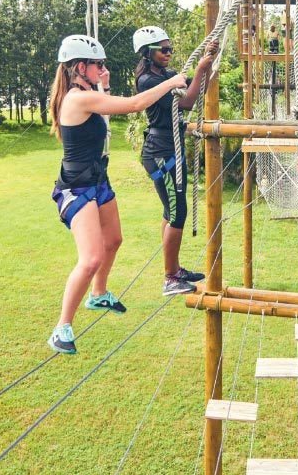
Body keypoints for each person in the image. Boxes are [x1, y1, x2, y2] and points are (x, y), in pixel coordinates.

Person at [47, 34, 187, 355]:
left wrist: (104, 88)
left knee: (114, 240)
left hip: (97, 180)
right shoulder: (76, 98)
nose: (102, 68)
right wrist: (172, 82)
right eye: (98, 65)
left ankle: (99, 294)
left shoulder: (87, 95)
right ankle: (62, 327)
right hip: (77, 187)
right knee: (92, 256)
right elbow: (135, 105)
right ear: (80, 67)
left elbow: (102, 120)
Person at [133, 26, 219, 295]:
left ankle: (174, 268)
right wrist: (203, 67)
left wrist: (207, 64)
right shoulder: (147, 80)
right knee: (177, 212)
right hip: (160, 153)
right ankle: (170, 278)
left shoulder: (166, 75)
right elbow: (188, 102)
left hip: (170, 148)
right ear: (148, 53)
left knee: (169, 211)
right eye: (164, 50)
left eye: (171, 49)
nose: (169, 53)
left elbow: (192, 85)